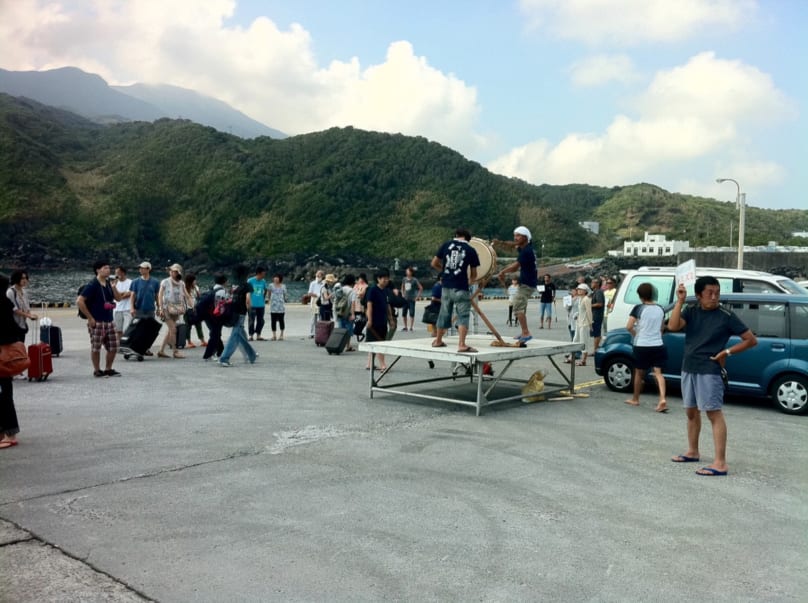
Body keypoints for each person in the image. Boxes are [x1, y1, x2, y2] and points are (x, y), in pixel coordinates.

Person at [667, 276, 757, 476]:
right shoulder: (690, 310)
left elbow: (750, 340)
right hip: (688, 366)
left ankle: (720, 463)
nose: (715, 297)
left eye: (717, 292)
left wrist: (727, 352)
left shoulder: (726, 315)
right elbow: (673, 326)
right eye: (710, 293)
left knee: (713, 414)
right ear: (699, 295)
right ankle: (692, 451)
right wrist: (680, 301)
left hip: (709, 369)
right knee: (691, 412)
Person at [430, 227, 480, 353]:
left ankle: (438, 340)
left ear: (456, 235)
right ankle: (462, 344)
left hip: (446, 286)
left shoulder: (446, 245)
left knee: (444, 313)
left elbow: (434, 263)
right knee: (463, 315)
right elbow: (474, 274)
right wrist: (469, 282)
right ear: (468, 239)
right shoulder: (470, 250)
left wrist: (445, 272)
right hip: (461, 286)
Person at [76, 260, 125, 377]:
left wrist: (114, 287)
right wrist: (90, 318)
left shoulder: (109, 283)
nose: (108, 270)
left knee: (113, 346)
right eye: (105, 268)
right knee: (96, 347)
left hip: (109, 320)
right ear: (98, 270)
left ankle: (108, 368)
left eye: (108, 268)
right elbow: (79, 301)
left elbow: (118, 299)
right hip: (97, 321)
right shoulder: (93, 285)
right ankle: (97, 370)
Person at [625, 283, 668, 412]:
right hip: (658, 344)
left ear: (640, 295)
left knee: (639, 372)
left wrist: (636, 334)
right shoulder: (660, 308)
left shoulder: (638, 308)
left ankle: (635, 399)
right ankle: (662, 398)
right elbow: (662, 328)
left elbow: (629, 326)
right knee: (658, 373)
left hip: (642, 344)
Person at [495, 226, 538, 343]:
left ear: (525, 237)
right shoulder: (524, 248)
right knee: (519, 306)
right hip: (527, 282)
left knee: (517, 306)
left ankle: (526, 333)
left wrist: (502, 271)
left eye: (518, 235)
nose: (515, 238)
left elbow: (515, 267)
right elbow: (513, 244)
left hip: (527, 284)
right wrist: (502, 243)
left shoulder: (526, 252)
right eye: (515, 235)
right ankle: (524, 331)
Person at [219, 264, 257, 367]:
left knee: (240, 335)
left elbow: (230, 297)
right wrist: (250, 312)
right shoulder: (247, 285)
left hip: (233, 311)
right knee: (235, 335)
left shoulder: (234, 285)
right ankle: (224, 358)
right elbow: (248, 300)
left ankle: (251, 355)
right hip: (241, 312)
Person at [0, 273, 21, 449]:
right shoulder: (6, 304)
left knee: (4, 396)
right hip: (5, 358)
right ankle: (4, 431)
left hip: (1, 357)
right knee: (5, 394)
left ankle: (9, 433)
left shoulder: (2, 305)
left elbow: (9, 331)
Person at [157, 264, 193, 359]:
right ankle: (175, 351)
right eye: (172, 271)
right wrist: (160, 308)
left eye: (176, 271)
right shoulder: (165, 282)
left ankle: (161, 351)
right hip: (166, 308)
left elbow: (186, 295)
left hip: (176, 309)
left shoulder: (181, 283)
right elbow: (160, 295)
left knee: (169, 330)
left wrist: (192, 305)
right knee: (173, 329)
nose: (174, 273)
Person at [365, 269, 394, 370]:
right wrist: (370, 320)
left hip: (383, 321)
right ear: (378, 279)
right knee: (379, 343)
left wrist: (390, 319)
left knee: (375, 343)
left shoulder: (385, 291)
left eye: (387, 278)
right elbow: (369, 305)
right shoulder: (372, 290)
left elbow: (387, 306)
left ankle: (369, 364)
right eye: (384, 278)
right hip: (374, 321)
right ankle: (383, 364)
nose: (386, 280)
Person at [129, 261, 160, 355]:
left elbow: (156, 296)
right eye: (140, 268)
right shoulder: (135, 281)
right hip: (139, 309)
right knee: (137, 329)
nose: (140, 269)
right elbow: (132, 296)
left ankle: (146, 348)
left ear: (148, 269)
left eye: (143, 268)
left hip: (150, 309)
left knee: (149, 330)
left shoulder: (155, 282)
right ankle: (133, 347)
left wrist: (159, 308)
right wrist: (131, 308)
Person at [202, 273, 228, 361]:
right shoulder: (222, 291)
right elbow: (221, 305)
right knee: (215, 335)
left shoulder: (211, 289)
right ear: (224, 281)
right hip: (215, 316)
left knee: (215, 334)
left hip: (207, 314)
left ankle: (220, 351)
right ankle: (208, 355)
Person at [7, 269, 37, 343]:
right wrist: (29, 316)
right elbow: (15, 309)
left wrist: (31, 315)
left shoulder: (24, 292)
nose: (25, 280)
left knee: (21, 345)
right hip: (13, 325)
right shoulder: (11, 292)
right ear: (16, 279)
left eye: (26, 278)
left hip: (22, 325)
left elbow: (27, 307)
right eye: (22, 278)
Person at [183, 272, 207, 348]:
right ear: (190, 281)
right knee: (187, 326)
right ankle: (189, 341)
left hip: (196, 308)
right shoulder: (184, 288)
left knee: (198, 325)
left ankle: (202, 340)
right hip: (187, 310)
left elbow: (199, 297)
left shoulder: (196, 287)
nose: (195, 282)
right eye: (194, 280)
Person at [112, 266, 134, 345]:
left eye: (118, 273)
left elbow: (128, 294)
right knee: (118, 330)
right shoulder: (114, 283)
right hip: (117, 309)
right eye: (115, 273)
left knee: (127, 329)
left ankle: (128, 344)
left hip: (127, 309)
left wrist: (118, 294)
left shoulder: (130, 282)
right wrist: (120, 294)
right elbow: (113, 295)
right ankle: (119, 345)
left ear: (123, 273)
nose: (116, 275)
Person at [573, 284, 593, 366]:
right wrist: (577, 314)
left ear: (585, 291)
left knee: (584, 341)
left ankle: (583, 360)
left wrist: (591, 324)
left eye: (581, 289)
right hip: (579, 323)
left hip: (584, 324)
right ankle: (572, 356)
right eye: (578, 289)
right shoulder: (580, 299)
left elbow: (589, 312)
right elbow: (581, 311)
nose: (579, 290)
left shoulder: (586, 299)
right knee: (575, 340)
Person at [336, 274, 357, 351]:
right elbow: (353, 303)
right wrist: (353, 314)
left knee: (341, 329)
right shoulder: (352, 291)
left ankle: (340, 344)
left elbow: (336, 300)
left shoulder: (341, 289)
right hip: (347, 313)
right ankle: (347, 346)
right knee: (348, 330)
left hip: (340, 311)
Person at [247, 266, 268, 341]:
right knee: (251, 320)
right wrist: (248, 302)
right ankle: (251, 335)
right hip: (252, 304)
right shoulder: (250, 281)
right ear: (258, 274)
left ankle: (258, 334)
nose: (264, 275)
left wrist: (263, 297)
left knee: (261, 320)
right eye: (263, 274)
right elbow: (247, 292)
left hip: (261, 304)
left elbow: (266, 290)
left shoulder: (263, 281)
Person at [400, 267, 423, 331]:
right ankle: (405, 326)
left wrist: (417, 297)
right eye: (406, 271)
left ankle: (411, 327)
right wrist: (402, 293)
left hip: (412, 299)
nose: (407, 272)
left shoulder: (414, 280)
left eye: (408, 271)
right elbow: (402, 286)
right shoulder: (404, 279)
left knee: (412, 313)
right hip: (405, 299)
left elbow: (420, 288)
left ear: (411, 272)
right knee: (404, 313)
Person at [268, 273, 288, 341]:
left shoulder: (283, 286)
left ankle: (281, 334)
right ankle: (274, 335)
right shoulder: (271, 285)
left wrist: (285, 300)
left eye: (277, 277)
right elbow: (269, 293)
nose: (276, 279)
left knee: (281, 320)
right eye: (275, 277)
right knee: (273, 321)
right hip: (273, 306)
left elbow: (285, 294)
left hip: (280, 306)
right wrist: (269, 300)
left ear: (280, 279)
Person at [590, 277, 606, 354]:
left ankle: (595, 350)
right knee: (595, 333)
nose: (591, 283)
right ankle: (595, 349)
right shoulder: (595, 292)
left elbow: (600, 304)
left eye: (593, 282)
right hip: (594, 315)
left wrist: (589, 305)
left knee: (596, 333)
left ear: (597, 284)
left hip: (597, 315)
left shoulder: (599, 292)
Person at [307, 270, 325, 337]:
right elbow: (309, 293)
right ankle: (312, 333)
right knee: (313, 318)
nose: (317, 277)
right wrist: (317, 295)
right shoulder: (313, 283)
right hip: (314, 301)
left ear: (322, 276)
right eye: (317, 275)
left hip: (321, 301)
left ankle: (319, 332)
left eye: (319, 276)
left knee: (321, 317)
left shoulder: (323, 284)